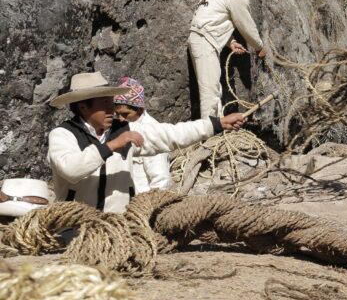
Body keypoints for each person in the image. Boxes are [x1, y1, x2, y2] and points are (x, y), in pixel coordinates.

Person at [47, 71, 246, 213]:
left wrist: (216, 124)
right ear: (83, 108)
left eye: (111, 103)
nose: (112, 110)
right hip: (75, 223)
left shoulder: (124, 130)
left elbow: (170, 134)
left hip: (120, 223)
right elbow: (70, 170)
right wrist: (113, 145)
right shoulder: (63, 134)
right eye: (104, 105)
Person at [189, 0, 268, 119]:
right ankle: (210, 138)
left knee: (213, 89)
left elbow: (213, 20)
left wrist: (230, 42)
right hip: (205, 42)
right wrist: (259, 47)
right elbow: (245, 24)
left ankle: (216, 130)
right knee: (210, 95)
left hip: (201, 37)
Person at [112, 77, 173, 194]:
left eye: (125, 114)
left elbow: (161, 180)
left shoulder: (152, 133)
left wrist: (149, 208)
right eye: (117, 114)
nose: (120, 119)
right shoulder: (122, 128)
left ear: (139, 110)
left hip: (142, 203)